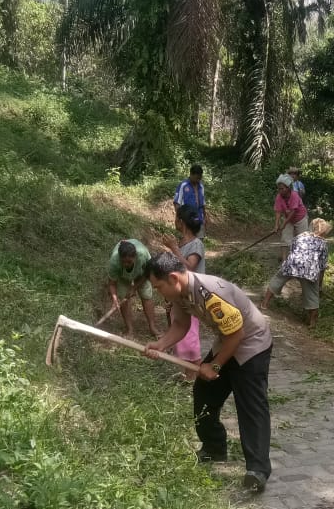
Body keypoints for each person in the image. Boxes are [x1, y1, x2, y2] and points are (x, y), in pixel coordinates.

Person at [144, 252, 273, 492]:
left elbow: (238, 334)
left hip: (252, 344)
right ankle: (214, 449)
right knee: (204, 394)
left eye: (158, 287)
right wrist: (160, 345)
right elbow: (181, 325)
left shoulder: (209, 293)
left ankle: (258, 471)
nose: (158, 291)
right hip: (227, 342)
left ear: (173, 278)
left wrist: (214, 366)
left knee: (251, 406)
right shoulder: (181, 293)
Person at [260, 218, 332, 329]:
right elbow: (322, 267)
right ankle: (312, 322)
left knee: (277, 280)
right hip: (309, 270)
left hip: (292, 263)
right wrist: (319, 286)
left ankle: (264, 304)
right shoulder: (323, 244)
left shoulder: (301, 236)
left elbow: (293, 250)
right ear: (324, 232)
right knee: (312, 295)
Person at [161, 205, 206, 377]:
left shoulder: (196, 244)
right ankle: (189, 376)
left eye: (176, 218)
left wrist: (173, 248)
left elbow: (189, 267)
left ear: (181, 222)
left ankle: (196, 377)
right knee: (183, 338)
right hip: (180, 297)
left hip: (193, 297)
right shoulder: (182, 243)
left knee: (190, 338)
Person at [107, 238, 158, 336]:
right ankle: (130, 329)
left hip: (142, 273)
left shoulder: (143, 255)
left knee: (146, 295)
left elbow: (148, 273)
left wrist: (134, 288)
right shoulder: (114, 262)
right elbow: (112, 283)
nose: (126, 264)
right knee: (123, 297)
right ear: (120, 258)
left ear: (135, 257)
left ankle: (153, 327)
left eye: (129, 262)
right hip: (122, 277)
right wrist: (115, 299)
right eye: (123, 262)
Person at [274, 173, 308, 258]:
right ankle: (284, 261)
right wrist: (276, 225)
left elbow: (293, 212)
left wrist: (284, 223)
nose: (280, 190)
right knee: (285, 238)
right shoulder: (279, 197)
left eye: (282, 189)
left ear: (288, 188)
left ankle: (301, 259)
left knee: (302, 239)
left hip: (300, 218)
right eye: (279, 189)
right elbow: (278, 211)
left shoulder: (294, 195)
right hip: (288, 219)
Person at [173, 164, 206, 238]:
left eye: (199, 178)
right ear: (191, 174)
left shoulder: (201, 186)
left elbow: (203, 204)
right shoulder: (183, 185)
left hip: (199, 218)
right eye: (197, 178)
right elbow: (177, 203)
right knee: (187, 242)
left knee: (199, 242)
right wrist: (178, 219)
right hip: (187, 220)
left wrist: (205, 218)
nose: (198, 180)